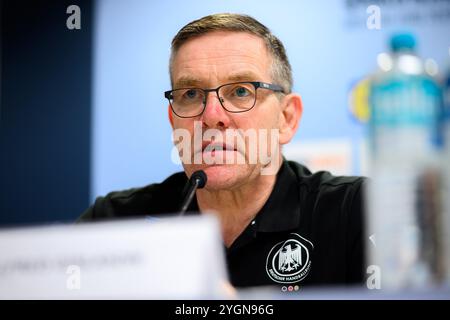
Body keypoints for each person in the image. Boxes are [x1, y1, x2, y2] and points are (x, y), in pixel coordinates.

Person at [79, 13, 366, 289]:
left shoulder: (355, 213)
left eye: (241, 91)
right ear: (173, 120)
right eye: (191, 94)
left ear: (286, 118)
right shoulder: (114, 223)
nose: (212, 116)